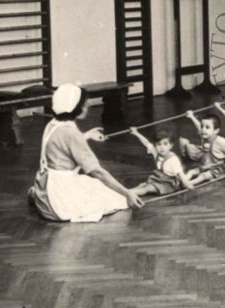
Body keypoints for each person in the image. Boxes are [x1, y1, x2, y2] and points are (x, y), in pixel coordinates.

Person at [28, 83, 144, 222]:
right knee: (117, 199)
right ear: (75, 107)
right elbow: (97, 171)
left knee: (94, 186)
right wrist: (127, 194)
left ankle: (37, 195)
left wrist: (87, 135)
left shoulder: (53, 124)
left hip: (47, 185)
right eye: (84, 104)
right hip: (59, 200)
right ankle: (46, 202)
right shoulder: (72, 133)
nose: (87, 106)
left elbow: (62, 144)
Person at [128, 127, 195, 197]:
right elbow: (146, 143)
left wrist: (188, 186)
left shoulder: (173, 159)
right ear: (155, 145)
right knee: (142, 185)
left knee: (147, 188)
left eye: (165, 144)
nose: (162, 147)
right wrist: (136, 133)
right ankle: (126, 192)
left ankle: (129, 193)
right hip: (159, 179)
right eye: (159, 144)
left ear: (171, 145)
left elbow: (181, 176)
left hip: (169, 184)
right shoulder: (156, 152)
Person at [183, 110, 225, 185]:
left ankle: (190, 183)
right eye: (202, 127)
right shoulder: (205, 136)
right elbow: (199, 126)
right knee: (191, 172)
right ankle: (182, 182)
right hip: (205, 166)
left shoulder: (220, 141)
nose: (203, 129)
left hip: (218, 170)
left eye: (207, 127)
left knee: (203, 176)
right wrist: (192, 117)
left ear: (216, 131)